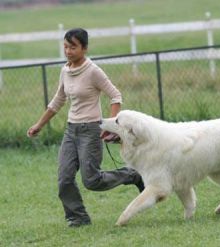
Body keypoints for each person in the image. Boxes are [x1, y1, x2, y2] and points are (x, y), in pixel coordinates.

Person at [27, 28, 144, 227]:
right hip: (71, 131)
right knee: (64, 178)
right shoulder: (65, 70)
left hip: (91, 131)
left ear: (84, 48)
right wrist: (39, 124)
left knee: (92, 181)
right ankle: (78, 217)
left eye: (73, 47)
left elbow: (115, 96)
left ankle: (133, 175)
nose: (68, 51)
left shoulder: (93, 71)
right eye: (65, 46)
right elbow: (58, 100)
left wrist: (112, 126)